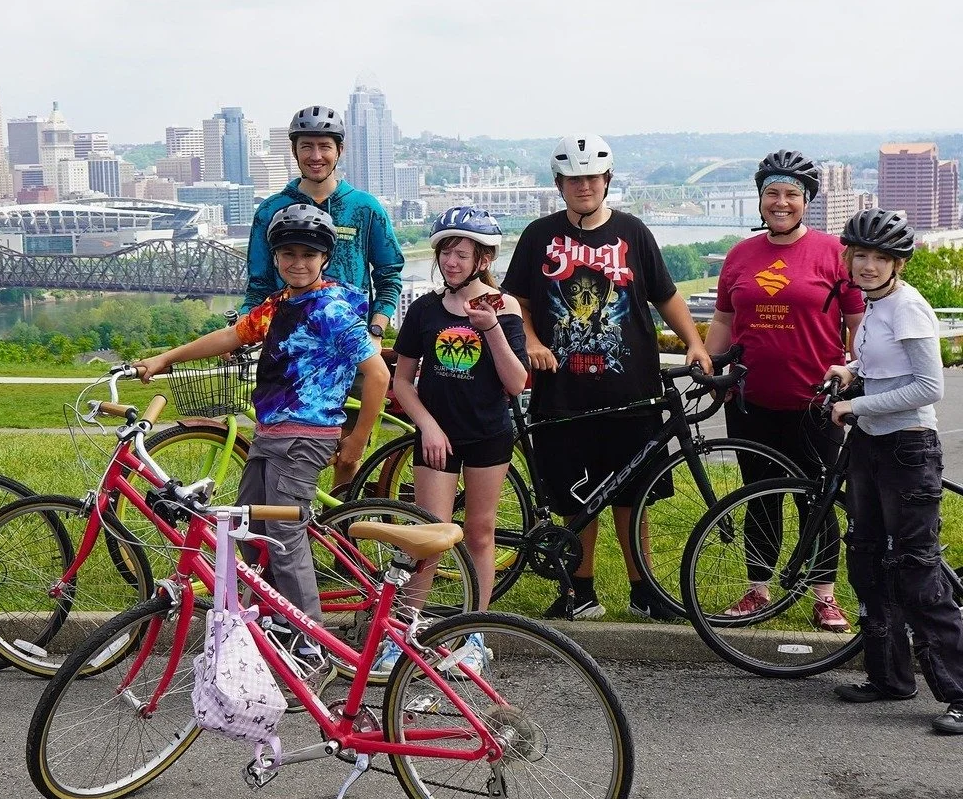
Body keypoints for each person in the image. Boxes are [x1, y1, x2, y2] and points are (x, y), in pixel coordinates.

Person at [137, 204, 388, 670]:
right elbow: (232, 335)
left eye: (308, 254)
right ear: (275, 258)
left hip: (305, 436)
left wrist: (355, 444)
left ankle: (312, 648)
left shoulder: (332, 309)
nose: (298, 262)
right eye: (287, 253)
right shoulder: (278, 306)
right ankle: (263, 624)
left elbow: (376, 375)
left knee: (284, 536)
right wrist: (166, 358)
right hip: (270, 433)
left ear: (325, 258)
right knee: (246, 530)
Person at [502, 133, 714, 619]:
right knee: (576, 496)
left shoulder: (633, 232)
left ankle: (645, 591)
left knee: (632, 493)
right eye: (574, 179)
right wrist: (531, 341)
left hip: (632, 389)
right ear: (559, 183)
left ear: (607, 180)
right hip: (563, 390)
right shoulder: (539, 235)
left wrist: (695, 342)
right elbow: (519, 302)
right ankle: (581, 591)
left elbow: (665, 295)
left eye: (592, 177)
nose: (584, 186)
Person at [704, 150, 864, 629]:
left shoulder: (834, 253)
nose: (781, 202)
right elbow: (724, 319)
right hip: (751, 400)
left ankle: (824, 595)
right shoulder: (740, 255)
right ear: (759, 200)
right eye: (772, 193)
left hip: (817, 402)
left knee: (818, 498)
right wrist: (711, 369)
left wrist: (855, 374)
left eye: (791, 194)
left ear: (807, 200)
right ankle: (758, 589)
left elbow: (858, 324)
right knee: (759, 494)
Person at [824, 210, 963, 734]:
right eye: (860, 255)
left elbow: (930, 387)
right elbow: (884, 364)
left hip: (908, 450)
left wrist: (856, 407)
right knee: (866, 561)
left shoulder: (908, 308)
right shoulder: (876, 305)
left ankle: (960, 692)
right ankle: (890, 677)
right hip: (872, 447)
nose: (867, 265)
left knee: (917, 570)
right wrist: (852, 371)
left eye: (880, 258)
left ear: (898, 264)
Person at [386, 208, 528, 669]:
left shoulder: (504, 308)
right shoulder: (426, 310)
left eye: (461, 253)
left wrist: (490, 331)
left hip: (487, 434)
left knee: (480, 533)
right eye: (445, 252)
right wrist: (427, 424)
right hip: (437, 438)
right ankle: (404, 631)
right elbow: (403, 381)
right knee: (428, 535)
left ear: (483, 258)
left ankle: (475, 635)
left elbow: (516, 382)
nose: (451, 261)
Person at [244, 105, 404, 342]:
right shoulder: (270, 210)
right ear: (294, 150)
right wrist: (241, 326)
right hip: (289, 350)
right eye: (306, 146)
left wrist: (376, 329)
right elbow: (259, 285)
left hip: (352, 347)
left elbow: (389, 274)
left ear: (340, 149)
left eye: (325, 146)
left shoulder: (365, 207)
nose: (316, 156)